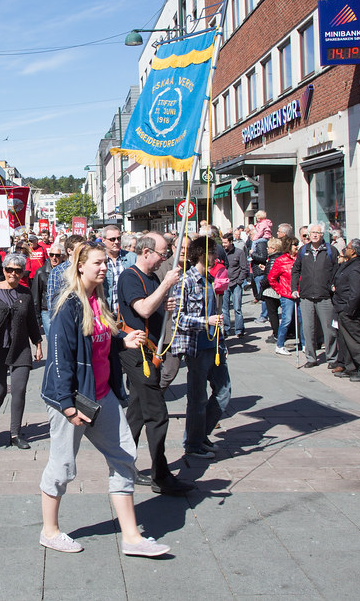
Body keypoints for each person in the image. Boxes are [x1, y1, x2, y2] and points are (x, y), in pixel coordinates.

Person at [38, 242, 170, 557]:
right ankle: (50, 531)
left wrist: (123, 341)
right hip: (72, 399)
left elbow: (101, 340)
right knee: (63, 466)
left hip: (101, 395)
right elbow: (60, 360)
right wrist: (67, 406)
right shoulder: (68, 305)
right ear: (80, 266)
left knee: (125, 456)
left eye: (104, 264)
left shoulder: (98, 300)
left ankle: (131, 537)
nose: (103, 267)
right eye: (97, 263)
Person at [117, 233, 193, 495]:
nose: (165, 259)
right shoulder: (130, 277)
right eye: (162, 254)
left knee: (137, 413)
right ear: (146, 252)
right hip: (136, 351)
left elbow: (155, 308)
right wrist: (165, 287)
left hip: (151, 351)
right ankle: (161, 475)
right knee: (157, 414)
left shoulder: (151, 278)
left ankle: (122, 464)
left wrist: (166, 303)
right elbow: (144, 310)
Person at [0, 253, 43, 449]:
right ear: (4, 270)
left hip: (20, 348)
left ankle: (15, 433)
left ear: (22, 272)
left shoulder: (25, 293)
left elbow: (31, 320)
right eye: (9, 270)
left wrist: (37, 343)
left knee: (19, 390)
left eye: (18, 270)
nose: (13, 273)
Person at [173, 236, 231, 461]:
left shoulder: (209, 278)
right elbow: (178, 319)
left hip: (213, 345)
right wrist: (205, 322)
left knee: (224, 391)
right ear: (200, 253)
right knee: (197, 398)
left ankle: (200, 435)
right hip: (196, 347)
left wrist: (222, 341)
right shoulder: (185, 281)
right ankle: (193, 443)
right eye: (212, 252)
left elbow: (216, 315)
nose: (216, 256)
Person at [290, 223, 337, 369]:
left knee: (329, 330)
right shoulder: (304, 250)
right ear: (308, 235)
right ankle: (311, 357)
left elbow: (337, 270)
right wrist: (294, 288)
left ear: (323, 234)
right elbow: (296, 270)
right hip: (306, 295)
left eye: (318, 232)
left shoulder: (331, 250)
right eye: (312, 232)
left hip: (325, 296)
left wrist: (333, 286)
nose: (315, 235)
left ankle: (332, 358)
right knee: (308, 329)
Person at [331, 239, 360, 382]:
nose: (345, 249)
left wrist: (349, 310)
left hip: (349, 310)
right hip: (342, 307)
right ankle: (351, 368)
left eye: (347, 247)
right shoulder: (349, 264)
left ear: (353, 251)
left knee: (356, 341)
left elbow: (356, 292)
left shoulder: (357, 267)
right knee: (346, 340)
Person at [268, 237, 298, 356]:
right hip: (287, 294)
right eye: (294, 245)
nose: (297, 247)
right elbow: (272, 278)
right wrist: (281, 290)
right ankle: (280, 344)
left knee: (302, 319)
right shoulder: (281, 260)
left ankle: (305, 344)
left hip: (300, 293)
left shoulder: (299, 259)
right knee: (287, 319)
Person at [31, 240, 63, 336]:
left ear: (62, 256)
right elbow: (36, 296)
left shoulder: (68, 271)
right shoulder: (41, 272)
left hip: (63, 310)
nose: (54, 258)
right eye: (51, 255)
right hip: (47, 311)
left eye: (57, 255)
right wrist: (37, 318)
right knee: (52, 341)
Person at [102, 224, 135, 313]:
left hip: (128, 314)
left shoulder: (132, 258)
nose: (116, 242)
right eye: (112, 239)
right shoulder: (99, 260)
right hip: (107, 314)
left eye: (118, 238)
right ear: (103, 240)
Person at [221, 233, 248, 337]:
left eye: (225, 242)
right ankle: (227, 329)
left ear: (231, 242)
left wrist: (239, 281)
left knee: (237, 308)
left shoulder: (239, 253)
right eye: (223, 242)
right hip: (225, 283)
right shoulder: (222, 253)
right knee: (225, 308)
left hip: (235, 283)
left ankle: (239, 329)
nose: (224, 245)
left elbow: (244, 268)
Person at [260, 237, 284, 343]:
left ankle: (276, 334)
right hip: (279, 289)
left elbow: (270, 277)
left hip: (271, 291)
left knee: (272, 314)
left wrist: (262, 283)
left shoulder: (273, 259)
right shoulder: (281, 258)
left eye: (269, 247)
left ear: (274, 249)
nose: (267, 249)